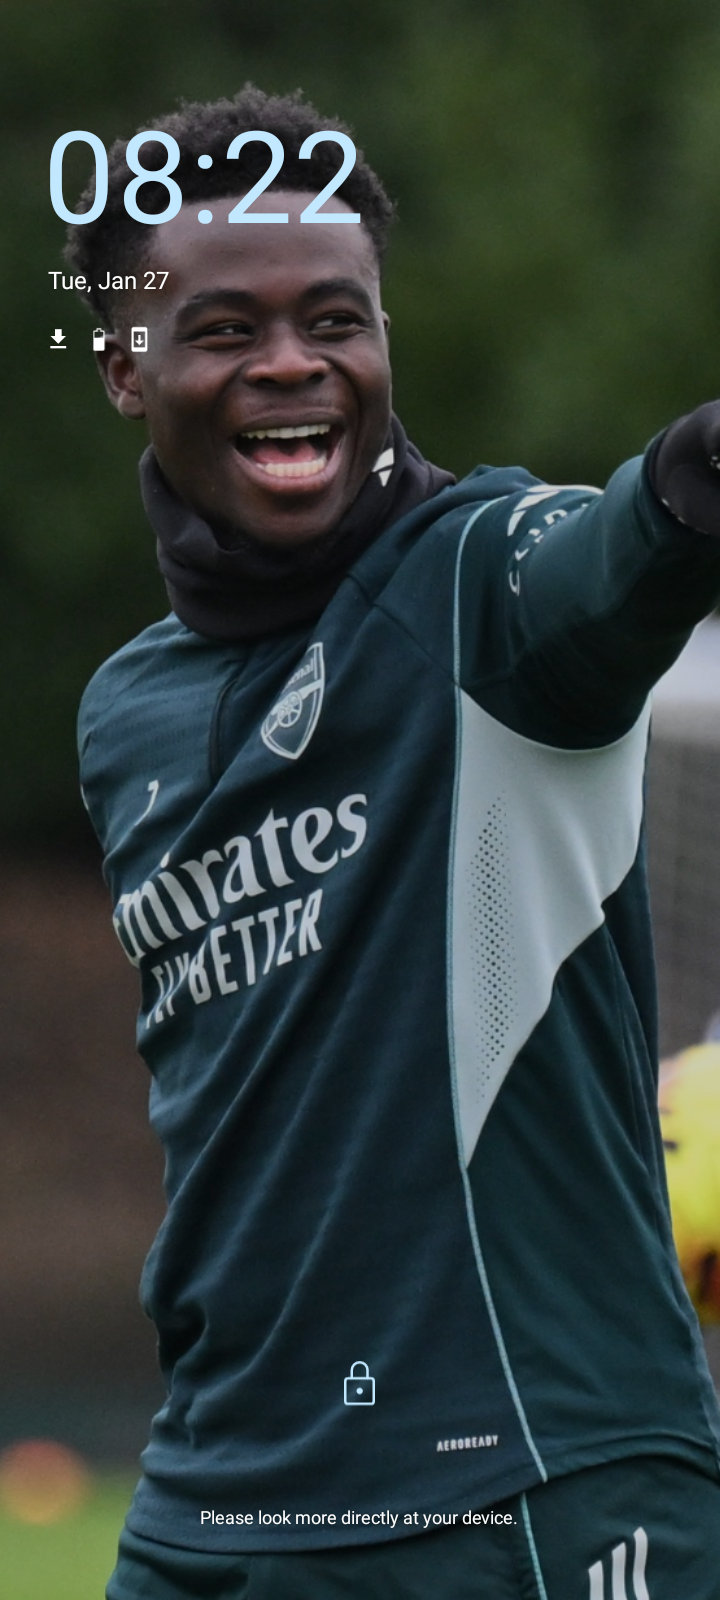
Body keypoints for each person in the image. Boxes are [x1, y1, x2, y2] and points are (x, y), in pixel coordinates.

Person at [67, 85, 720, 1599]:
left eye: (335, 320)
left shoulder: (484, 585)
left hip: (528, 1486)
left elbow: (622, 550)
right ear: (125, 368)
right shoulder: (124, 715)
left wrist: (693, 481)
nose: (292, 361)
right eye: (224, 327)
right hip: (219, 1495)